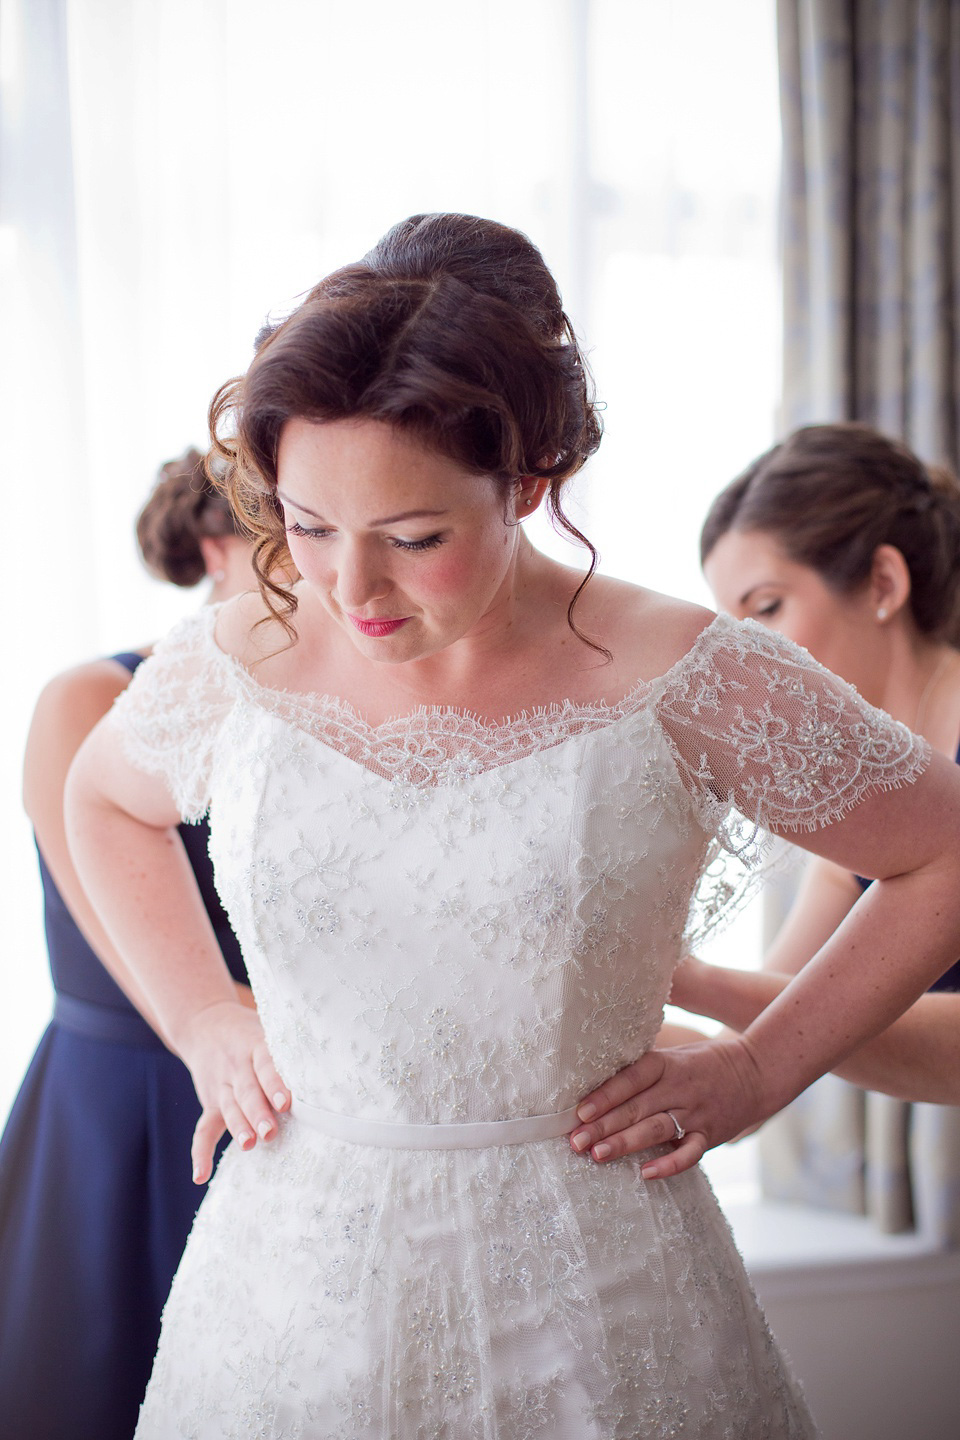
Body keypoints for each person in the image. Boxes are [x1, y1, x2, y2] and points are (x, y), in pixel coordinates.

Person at [65, 217, 960, 1438]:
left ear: (530, 482)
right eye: (309, 525)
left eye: (414, 538)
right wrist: (202, 1014)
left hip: (600, 1289)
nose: (349, 589)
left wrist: (761, 1067)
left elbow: (941, 850)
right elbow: (104, 798)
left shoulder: (686, 672)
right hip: (286, 1293)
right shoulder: (245, 654)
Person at [574, 422, 960, 1160]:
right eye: (732, 625)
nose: (744, 656)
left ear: (884, 585)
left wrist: (693, 979)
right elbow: (752, 1069)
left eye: (768, 608)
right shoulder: (868, 818)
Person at [0, 449, 253, 1440]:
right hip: (126, 1110)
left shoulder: (334, 716)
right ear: (213, 548)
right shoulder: (85, 701)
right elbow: (135, 955)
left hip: (288, 1103)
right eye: (294, 538)